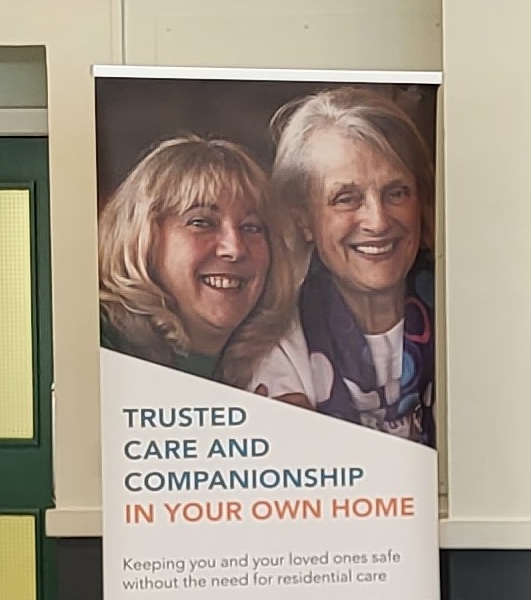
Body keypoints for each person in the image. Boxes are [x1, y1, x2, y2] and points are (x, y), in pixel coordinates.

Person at [249, 90, 435, 444]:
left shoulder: (467, 317)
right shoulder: (277, 350)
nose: (378, 221)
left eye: (397, 193)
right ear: (303, 218)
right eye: (346, 198)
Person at [98, 133, 293, 384]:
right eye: (201, 222)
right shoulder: (97, 347)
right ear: (143, 238)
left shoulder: (282, 364)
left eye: (251, 227)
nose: (234, 249)